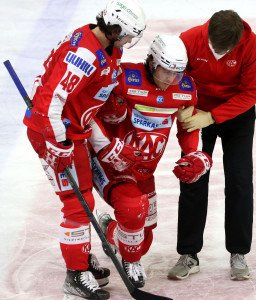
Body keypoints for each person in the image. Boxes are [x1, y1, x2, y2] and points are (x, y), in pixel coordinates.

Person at [23, 0, 146, 299]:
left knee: (84, 202)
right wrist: (58, 143)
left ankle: (80, 256)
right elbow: (49, 102)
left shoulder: (107, 47)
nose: (129, 42)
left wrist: (102, 145)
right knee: (78, 204)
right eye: (128, 35)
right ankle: (75, 274)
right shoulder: (84, 55)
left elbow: (82, 107)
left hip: (72, 131)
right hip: (53, 133)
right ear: (115, 29)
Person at [89, 34, 213, 288]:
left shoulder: (185, 88)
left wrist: (192, 154)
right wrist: (107, 137)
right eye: (165, 71)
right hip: (114, 163)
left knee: (143, 240)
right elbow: (89, 109)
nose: (170, 79)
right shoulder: (123, 77)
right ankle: (130, 261)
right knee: (135, 212)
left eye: (176, 73)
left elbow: (187, 126)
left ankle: (109, 229)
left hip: (145, 170)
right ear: (151, 61)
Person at [168, 10, 256, 281]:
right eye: (213, 48)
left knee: (240, 181)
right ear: (206, 31)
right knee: (192, 178)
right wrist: (184, 109)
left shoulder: (252, 45)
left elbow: (250, 93)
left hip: (237, 117)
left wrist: (212, 117)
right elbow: (174, 78)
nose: (218, 54)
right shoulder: (188, 40)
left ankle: (238, 252)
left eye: (224, 51)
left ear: (238, 41)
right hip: (197, 111)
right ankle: (188, 254)